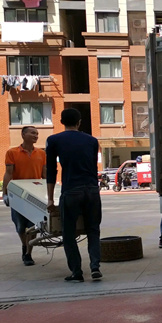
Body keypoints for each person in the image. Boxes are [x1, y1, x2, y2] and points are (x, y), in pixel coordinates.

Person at [45, 108, 102, 283]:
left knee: (68, 233)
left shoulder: (53, 140)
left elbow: (51, 171)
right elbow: (93, 167)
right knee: (93, 230)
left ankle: (77, 271)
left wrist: (50, 198)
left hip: (71, 190)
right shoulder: (92, 140)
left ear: (61, 122)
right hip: (92, 190)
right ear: (79, 122)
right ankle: (95, 267)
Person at [2, 126, 46, 266]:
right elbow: (8, 173)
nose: (36, 135)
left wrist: (49, 193)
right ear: (23, 134)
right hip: (18, 194)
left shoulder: (41, 153)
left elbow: (45, 175)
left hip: (35, 195)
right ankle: (24, 245)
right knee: (20, 226)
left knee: (34, 225)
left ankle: (28, 253)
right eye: (32, 133)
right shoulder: (12, 152)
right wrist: (5, 193)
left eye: (37, 133)